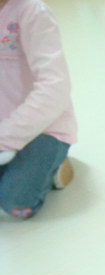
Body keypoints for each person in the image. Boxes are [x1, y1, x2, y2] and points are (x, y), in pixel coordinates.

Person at [0, 0, 77, 219]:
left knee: (16, 203)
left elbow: (55, 88)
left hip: (44, 127)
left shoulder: (32, 11)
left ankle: (56, 165)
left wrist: (5, 137)